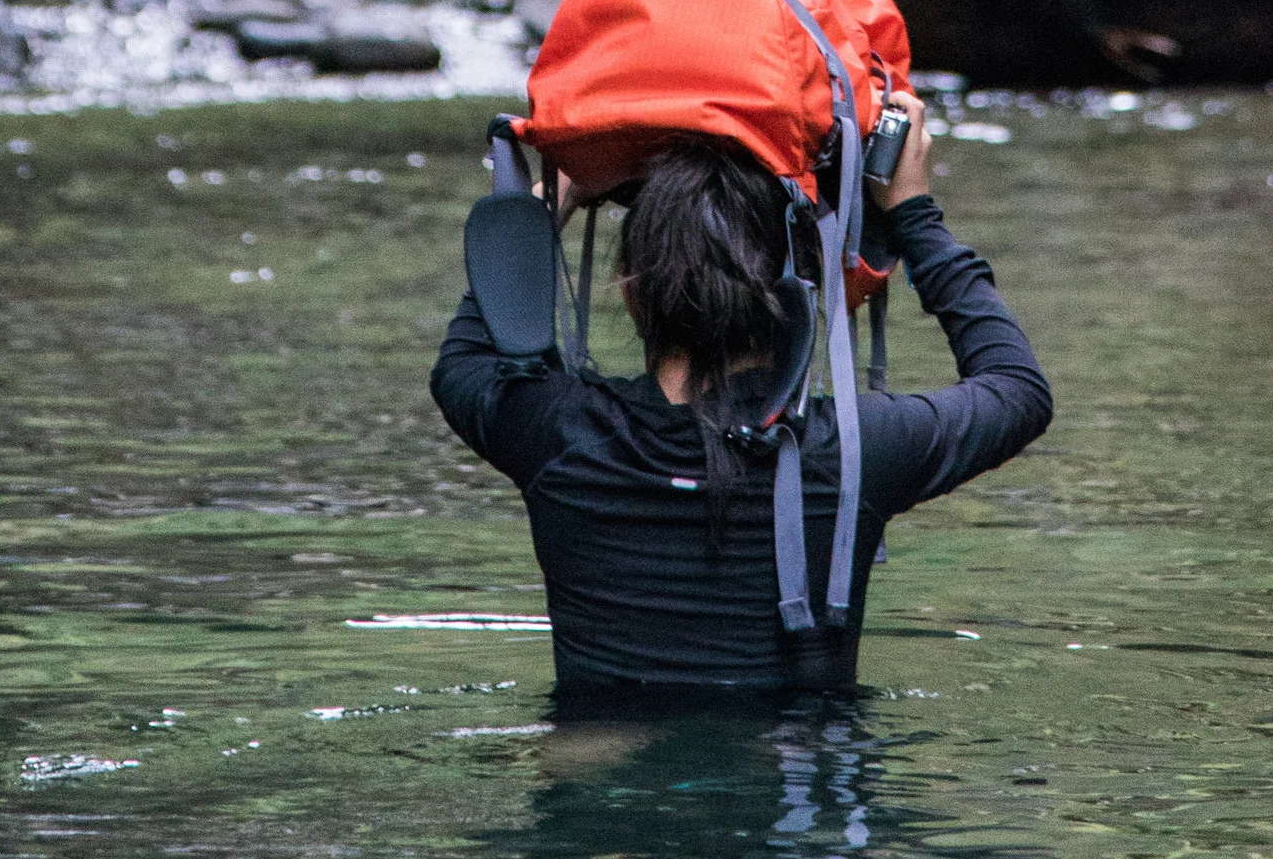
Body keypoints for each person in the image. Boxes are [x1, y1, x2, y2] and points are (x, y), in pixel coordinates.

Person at [431, 91, 1050, 702]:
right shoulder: (854, 452)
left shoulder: (556, 434)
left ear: (632, 297)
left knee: (595, 744)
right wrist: (913, 211)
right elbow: (1016, 390)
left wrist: (550, 199)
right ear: (797, 298)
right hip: (801, 785)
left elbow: (467, 361)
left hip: (601, 768)